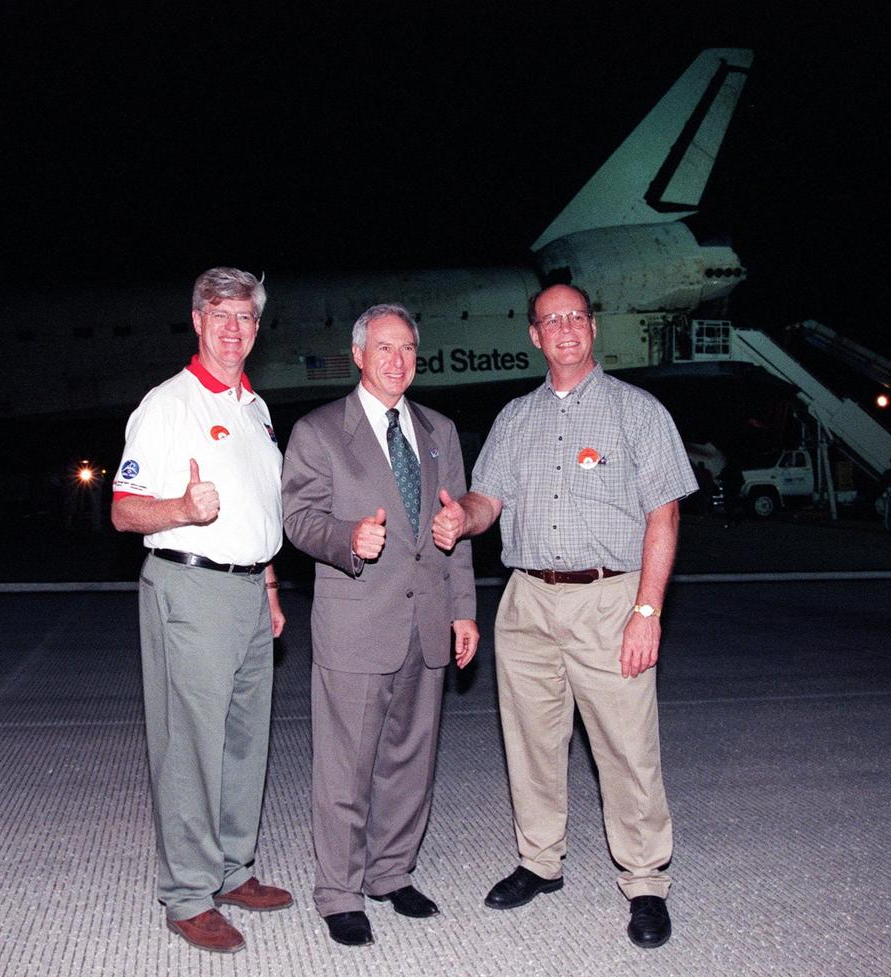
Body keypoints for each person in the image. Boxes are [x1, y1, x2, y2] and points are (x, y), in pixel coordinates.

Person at [432, 283, 697, 950]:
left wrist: (648, 609)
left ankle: (644, 882)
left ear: (593, 326)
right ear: (534, 335)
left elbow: (664, 514)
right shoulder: (515, 417)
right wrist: (465, 515)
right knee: (530, 739)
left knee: (626, 745)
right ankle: (539, 860)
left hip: (611, 597)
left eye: (577, 316)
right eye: (553, 320)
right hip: (526, 598)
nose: (567, 329)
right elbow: (490, 498)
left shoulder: (637, 412)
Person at [281, 304, 478, 948]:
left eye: (408, 350)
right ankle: (339, 890)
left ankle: (392, 872)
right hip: (357, 624)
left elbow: (455, 530)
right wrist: (346, 537)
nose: (398, 361)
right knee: (347, 766)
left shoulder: (440, 430)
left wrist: (463, 612)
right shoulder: (318, 431)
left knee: (410, 761)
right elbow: (298, 519)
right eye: (384, 349)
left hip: (426, 622)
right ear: (359, 356)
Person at [111, 267, 290, 954]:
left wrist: (269, 585)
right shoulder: (167, 405)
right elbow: (124, 511)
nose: (233, 327)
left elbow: (257, 507)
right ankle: (188, 894)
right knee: (188, 746)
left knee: (245, 740)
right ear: (197, 319)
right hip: (190, 588)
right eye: (220, 313)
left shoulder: (255, 407)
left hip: (248, 591)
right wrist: (182, 508)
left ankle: (232, 869)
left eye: (245, 316)